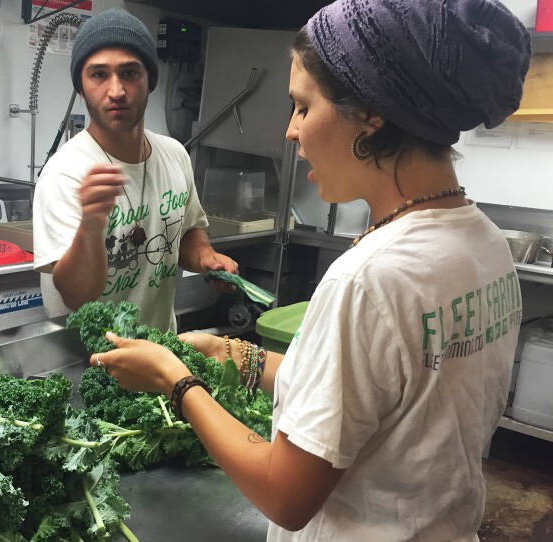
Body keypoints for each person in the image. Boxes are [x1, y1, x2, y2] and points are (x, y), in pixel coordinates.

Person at [88, 0, 531, 539]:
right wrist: (233, 354)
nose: (290, 132)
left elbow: (285, 494)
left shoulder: (369, 278)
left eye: (302, 106)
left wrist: (178, 383)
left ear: (372, 112)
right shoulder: (483, 242)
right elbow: (371, 391)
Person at [32, 8, 237, 331]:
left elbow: (185, 233)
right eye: (99, 74)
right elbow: (76, 297)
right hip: (88, 366)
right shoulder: (65, 173)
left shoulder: (174, 154)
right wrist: (91, 226)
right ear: (82, 87)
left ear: (149, 80)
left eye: (130, 73)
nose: (116, 90)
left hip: (158, 354)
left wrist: (206, 258)